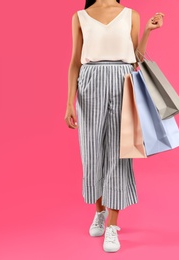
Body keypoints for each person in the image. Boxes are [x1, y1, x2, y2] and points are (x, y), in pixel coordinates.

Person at [64, 0, 164, 253]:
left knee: (120, 153)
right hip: (90, 82)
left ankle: (112, 225)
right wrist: (69, 103)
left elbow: (135, 59)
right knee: (92, 152)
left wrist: (148, 32)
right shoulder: (80, 16)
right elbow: (75, 61)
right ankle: (98, 211)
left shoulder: (132, 15)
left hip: (122, 80)